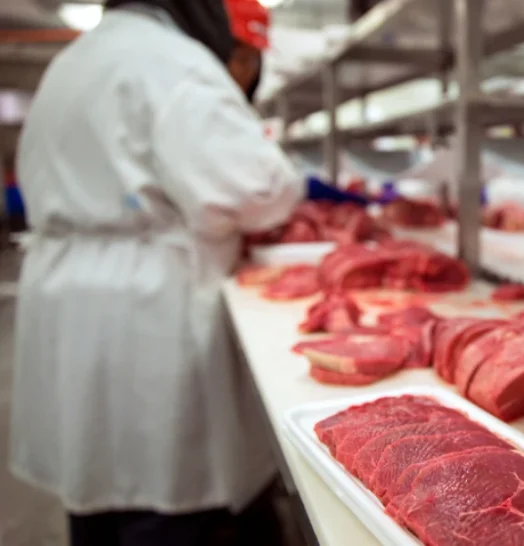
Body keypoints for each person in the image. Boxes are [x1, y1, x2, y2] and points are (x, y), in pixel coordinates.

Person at [9, 1, 304, 545]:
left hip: (70, 290)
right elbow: (253, 188)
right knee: (165, 488)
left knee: (96, 486)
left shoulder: (77, 60)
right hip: (146, 304)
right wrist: (290, 190)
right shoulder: (172, 61)